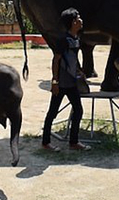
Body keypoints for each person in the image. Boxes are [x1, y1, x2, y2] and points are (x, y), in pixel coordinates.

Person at [42, 8, 91, 152]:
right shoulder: (63, 40)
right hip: (61, 83)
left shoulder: (76, 39)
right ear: (73, 22)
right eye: (78, 19)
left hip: (72, 82)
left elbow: (73, 59)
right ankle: (46, 143)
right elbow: (56, 60)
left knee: (78, 110)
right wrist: (55, 81)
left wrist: (79, 72)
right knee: (52, 112)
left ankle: (73, 142)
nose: (81, 21)